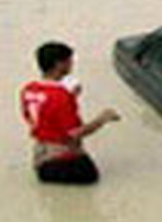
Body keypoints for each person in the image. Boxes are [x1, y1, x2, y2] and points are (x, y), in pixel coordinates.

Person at [20, 42, 120, 184]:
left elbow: (43, 113)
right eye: (69, 61)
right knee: (91, 178)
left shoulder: (28, 89)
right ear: (59, 64)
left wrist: (71, 97)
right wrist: (103, 119)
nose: (72, 64)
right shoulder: (61, 96)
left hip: (41, 155)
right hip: (61, 161)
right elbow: (75, 133)